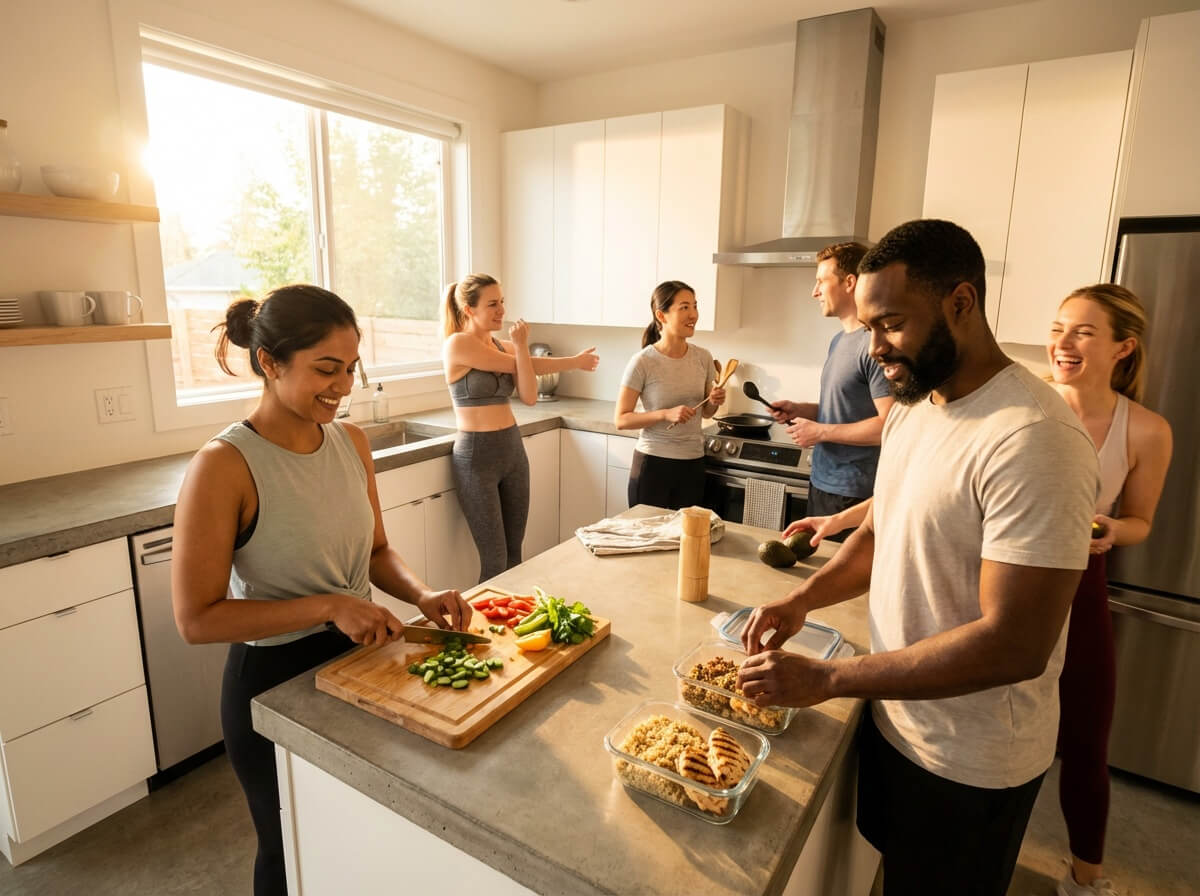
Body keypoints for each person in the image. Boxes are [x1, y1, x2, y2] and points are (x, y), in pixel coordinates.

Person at [736, 219, 1100, 896]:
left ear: (960, 303)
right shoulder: (914, 406)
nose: (876, 350)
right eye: (869, 327)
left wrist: (831, 681)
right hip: (897, 718)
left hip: (971, 758)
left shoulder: (1033, 438)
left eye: (892, 324)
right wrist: (800, 600)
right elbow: (883, 533)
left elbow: (1016, 644)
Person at [172, 284, 473, 896]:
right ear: (269, 363)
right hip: (273, 681)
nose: (343, 387)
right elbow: (197, 618)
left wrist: (421, 595)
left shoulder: (350, 442)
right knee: (291, 850)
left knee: (362, 837)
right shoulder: (224, 465)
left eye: (351, 370)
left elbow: (377, 551)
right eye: (326, 370)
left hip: (364, 663)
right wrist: (331, 606)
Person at [1048, 285, 1172, 896]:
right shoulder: (1025, 406)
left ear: (1124, 347)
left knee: (1087, 738)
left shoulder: (1146, 431)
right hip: (995, 575)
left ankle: (1085, 878)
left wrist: (1112, 528)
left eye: (1083, 332)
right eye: (1058, 327)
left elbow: (1141, 522)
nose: (1062, 343)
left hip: (1080, 583)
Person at [442, 274, 599, 581]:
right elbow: (518, 365)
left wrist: (574, 361)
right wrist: (523, 347)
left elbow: (528, 395)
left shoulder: (498, 345)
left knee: (515, 554)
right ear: (469, 309)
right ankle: (482, 629)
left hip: (512, 451)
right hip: (477, 457)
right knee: (495, 559)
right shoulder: (458, 344)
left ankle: (514, 625)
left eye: (502, 302)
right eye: (492, 304)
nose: (501, 310)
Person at [765, 242, 892, 539]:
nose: (815, 291)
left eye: (822, 280)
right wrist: (802, 410)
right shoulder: (839, 340)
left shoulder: (875, 345)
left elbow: (890, 425)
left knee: (841, 582)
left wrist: (820, 432)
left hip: (854, 494)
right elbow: (847, 410)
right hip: (822, 483)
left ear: (850, 283)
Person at [614, 280, 726, 510]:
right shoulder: (643, 362)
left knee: (684, 541)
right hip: (653, 466)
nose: (693, 314)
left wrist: (714, 401)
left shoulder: (703, 357)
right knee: (648, 541)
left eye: (695, 306)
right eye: (684, 307)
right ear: (661, 315)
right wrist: (665, 414)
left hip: (692, 464)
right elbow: (621, 419)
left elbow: (705, 412)